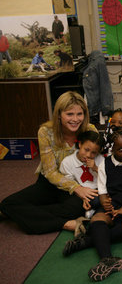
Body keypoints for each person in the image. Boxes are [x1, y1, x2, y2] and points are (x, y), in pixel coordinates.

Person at [0, 91, 97, 234]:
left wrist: (81, 187)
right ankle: (66, 224)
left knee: (76, 208)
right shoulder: (45, 132)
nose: (75, 119)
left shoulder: (90, 130)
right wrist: (76, 188)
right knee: (9, 203)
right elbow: (51, 172)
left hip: (79, 181)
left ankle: (19, 214)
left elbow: (99, 162)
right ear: (59, 114)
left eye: (79, 114)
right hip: (50, 182)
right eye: (69, 114)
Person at [62, 127, 122, 282]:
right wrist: (104, 201)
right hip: (114, 202)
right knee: (97, 220)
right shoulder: (105, 164)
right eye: (121, 149)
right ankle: (107, 260)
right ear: (112, 149)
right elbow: (102, 191)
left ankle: (87, 242)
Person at [60, 131, 105, 228]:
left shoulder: (100, 160)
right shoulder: (67, 162)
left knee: (101, 198)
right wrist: (83, 196)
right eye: (86, 149)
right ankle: (94, 210)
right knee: (70, 204)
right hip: (79, 192)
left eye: (93, 152)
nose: (88, 155)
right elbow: (70, 184)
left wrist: (96, 169)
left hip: (97, 190)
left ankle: (92, 211)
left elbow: (107, 180)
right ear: (80, 144)